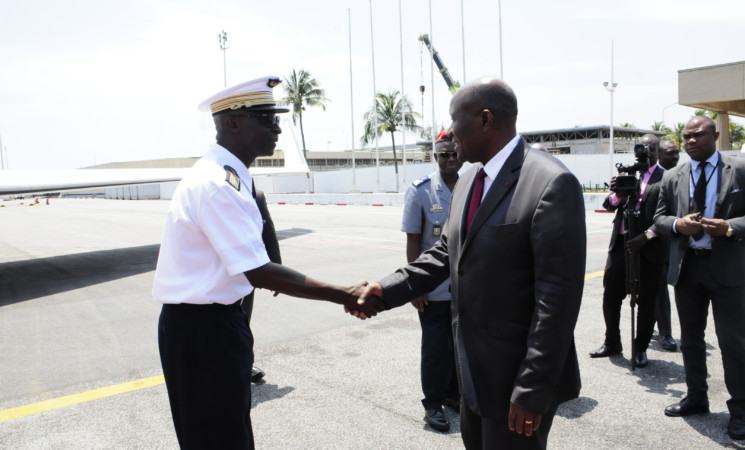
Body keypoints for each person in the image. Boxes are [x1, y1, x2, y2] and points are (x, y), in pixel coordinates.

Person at [152, 75, 382, 449]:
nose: (276, 127)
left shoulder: (231, 177)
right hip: (202, 332)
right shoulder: (215, 184)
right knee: (216, 438)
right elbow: (256, 270)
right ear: (232, 123)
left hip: (216, 323)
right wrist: (345, 293)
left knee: (230, 430)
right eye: (266, 117)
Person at [357, 77, 586, 449]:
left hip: (516, 380)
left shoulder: (550, 182)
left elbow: (557, 302)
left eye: (453, 119)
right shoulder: (467, 181)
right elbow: (444, 254)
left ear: (484, 120)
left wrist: (532, 389)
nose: (448, 131)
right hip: (473, 374)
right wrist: (386, 289)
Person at [654, 116, 745, 440]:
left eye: (698, 135)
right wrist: (678, 225)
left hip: (728, 270)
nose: (691, 141)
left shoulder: (739, 169)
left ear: (716, 135)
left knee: (733, 342)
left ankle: (741, 411)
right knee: (690, 340)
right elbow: (660, 217)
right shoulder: (673, 176)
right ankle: (696, 397)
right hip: (688, 268)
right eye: (687, 137)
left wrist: (731, 226)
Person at [402, 130, 462, 432]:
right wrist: (416, 285)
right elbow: (414, 241)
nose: (451, 159)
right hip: (434, 287)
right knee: (436, 349)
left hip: (465, 288)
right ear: (435, 156)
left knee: (458, 346)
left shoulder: (471, 185)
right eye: (444, 154)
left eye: (454, 153)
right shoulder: (421, 190)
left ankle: (453, 395)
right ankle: (433, 404)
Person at [589, 134, 666, 368]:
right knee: (611, 295)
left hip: (648, 247)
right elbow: (608, 205)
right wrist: (618, 192)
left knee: (646, 300)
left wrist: (647, 236)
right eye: (641, 148)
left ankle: (641, 348)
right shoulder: (629, 174)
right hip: (621, 244)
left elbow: (669, 214)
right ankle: (612, 341)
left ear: (657, 152)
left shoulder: (667, 178)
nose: (644, 153)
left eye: (650, 149)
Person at [242, 186, 282, 383]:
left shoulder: (255, 193)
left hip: (248, 275)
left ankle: (245, 365)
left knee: (243, 322)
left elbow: (268, 231)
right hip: (217, 280)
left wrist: (277, 271)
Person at [651, 139, 681, 352]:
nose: (676, 157)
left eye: (677, 153)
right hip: (644, 243)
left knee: (660, 288)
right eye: (671, 153)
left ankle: (666, 333)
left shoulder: (678, 176)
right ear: (658, 154)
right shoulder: (647, 175)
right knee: (646, 290)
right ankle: (650, 327)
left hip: (664, 241)